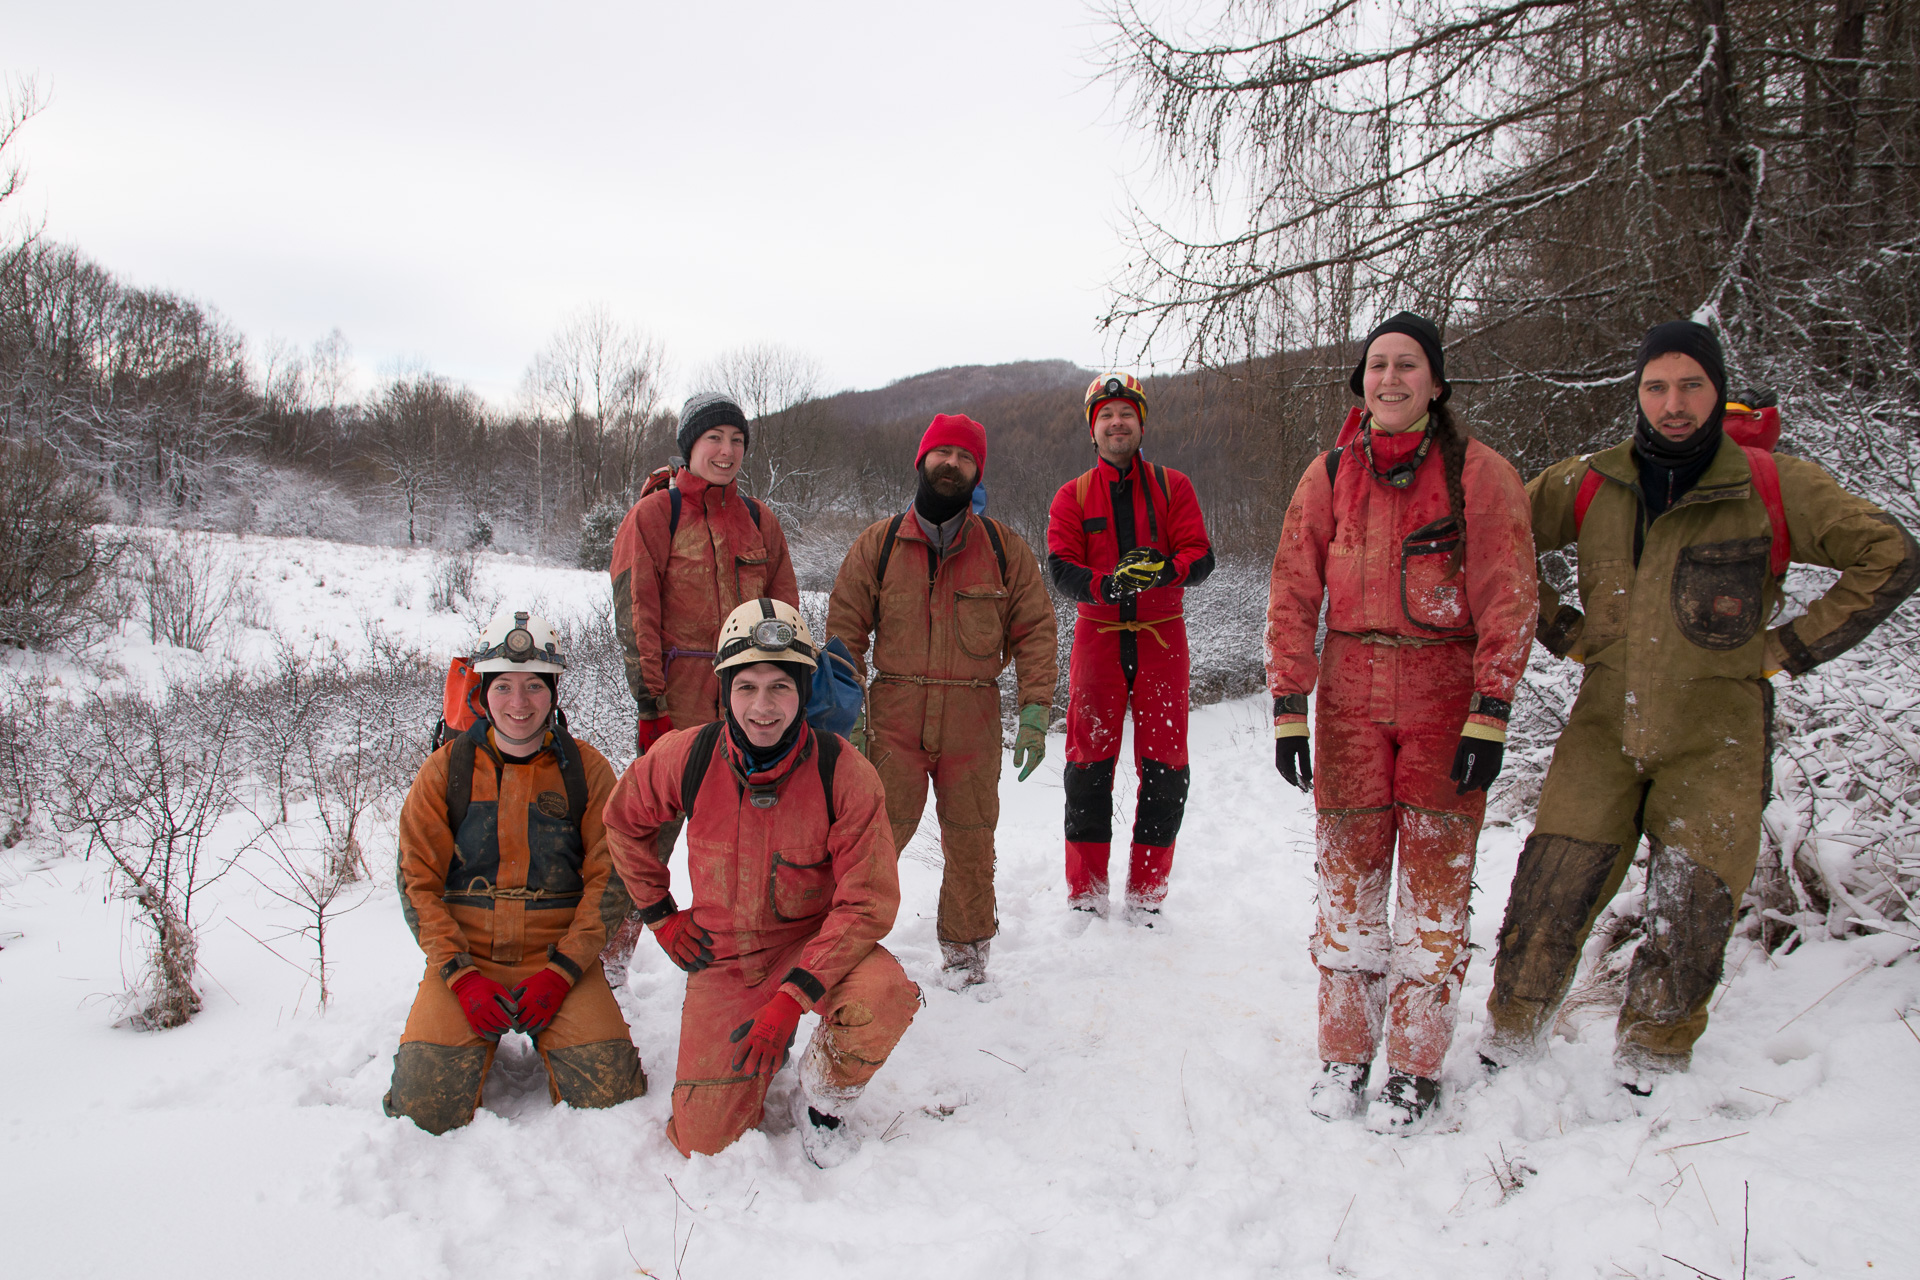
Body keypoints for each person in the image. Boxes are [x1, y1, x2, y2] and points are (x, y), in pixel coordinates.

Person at [1482, 320, 1920, 1090]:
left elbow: (1889, 554)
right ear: (1638, 394)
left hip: (1716, 735)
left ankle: (1652, 1061)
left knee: (1693, 906)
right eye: (1657, 386)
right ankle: (1512, 1043)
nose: (1673, 403)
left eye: (1691, 385)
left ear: (1717, 391)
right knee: (1551, 884)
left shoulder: (1771, 486)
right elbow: (1494, 537)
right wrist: (1562, 630)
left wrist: (1784, 650)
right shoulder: (1590, 482)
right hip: (1602, 727)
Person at [1267, 313, 1535, 1131]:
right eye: (1377, 365)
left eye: (1407, 366)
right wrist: (1289, 706)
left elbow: (1508, 592)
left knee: (1434, 888)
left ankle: (1415, 1068)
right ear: (1361, 381)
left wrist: (1490, 709)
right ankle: (1344, 1058)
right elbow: (1291, 589)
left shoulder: (1480, 475)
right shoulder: (1327, 473)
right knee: (1347, 886)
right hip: (1348, 694)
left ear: (1437, 383)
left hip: (1442, 697)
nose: (1390, 379)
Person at [603, 599, 920, 1165]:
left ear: (803, 691)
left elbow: (866, 903)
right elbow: (623, 820)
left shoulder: (843, 771)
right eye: (746, 686)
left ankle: (823, 1098)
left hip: (813, 948)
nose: (763, 707)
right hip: (724, 962)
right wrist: (659, 913)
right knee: (702, 1144)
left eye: (780, 686)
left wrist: (794, 996)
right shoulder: (686, 756)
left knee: (885, 996)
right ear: (724, 690)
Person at [384, 609, 647, 1134]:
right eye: (503, 686)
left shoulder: (588, 770)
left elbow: (609, 880)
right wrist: (458, 976)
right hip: (468, 955)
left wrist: (564, 972)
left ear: (554, 693)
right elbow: (418, 883)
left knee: (610, 1097)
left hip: (556, 957)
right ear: (482, 693)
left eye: (534, 686)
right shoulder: (445, 771)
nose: (519, 703)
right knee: (423, 1108)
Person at [826, 413, 1058, 988]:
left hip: (973, 718)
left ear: (978, 469)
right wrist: (845, 716)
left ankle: (966, 957)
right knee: (873, 838)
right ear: (921, 460)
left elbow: (1035, 632)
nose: (951, 463)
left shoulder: (1006, 550)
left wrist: (1034, 713)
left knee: (973, 838)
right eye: (941, 453)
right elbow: (844, 633)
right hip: (894, 718)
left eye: (964, 456)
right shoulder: (877, 546)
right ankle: (842, 947)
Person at [603, 391, 801, 974]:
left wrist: (790, 696)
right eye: (714, 438)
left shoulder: (761, 521)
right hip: (678, 702)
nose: (727, 450)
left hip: (752, 709)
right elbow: (635, 612)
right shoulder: (653, 517)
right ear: (689, 446)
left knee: (750, 836)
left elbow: (785, 614)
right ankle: (607, 962)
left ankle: (746, 956)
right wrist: (650, 704)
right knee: (650, 830)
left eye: (737, 440)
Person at [1046, 373, 1215, 921]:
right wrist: (1105, 586)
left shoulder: (1174, 486)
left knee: (1166, 766)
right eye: (1106, 416)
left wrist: (1167, 570)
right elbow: (1061, 567)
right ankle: (1086, 893)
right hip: (1097, 638)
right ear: (1092, 430)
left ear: (1141, 423)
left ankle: (1147, 893)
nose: (1117, 423)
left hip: (1163, 639)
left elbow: (1201, 554)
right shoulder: (1071, 495)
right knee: (1087, 764)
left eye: (1126, 414)